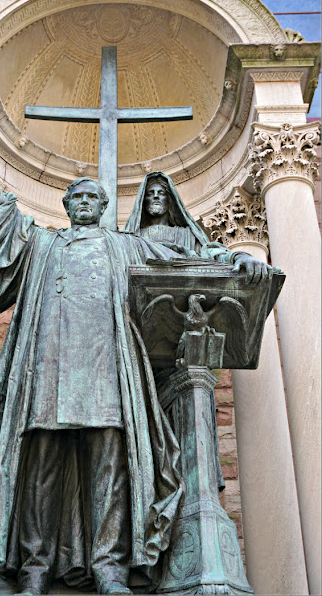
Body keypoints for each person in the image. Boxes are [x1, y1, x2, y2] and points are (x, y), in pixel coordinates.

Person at [0, 91, 187, 595]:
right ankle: (34, 567)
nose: (85, 203)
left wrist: (237, 259)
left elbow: (184, 258)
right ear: (66, 206)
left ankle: (111, 567)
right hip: (46, 371)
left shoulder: (127, 246)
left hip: (108, 372)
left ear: (104, 207)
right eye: (77, 197)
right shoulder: (40, 243)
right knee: (39, 471)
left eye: (93, 198)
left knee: (110, 468)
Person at [124, 171, 273, 491]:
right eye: (149, 193)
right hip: (136, 355)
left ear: (171, 200)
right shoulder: (129, 243)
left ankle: (188, 491)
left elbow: (212, 252)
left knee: (184, 424)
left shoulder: (185, 238)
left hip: (181, 347)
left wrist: (241, 255)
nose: (155, 198)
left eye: (161, 193)